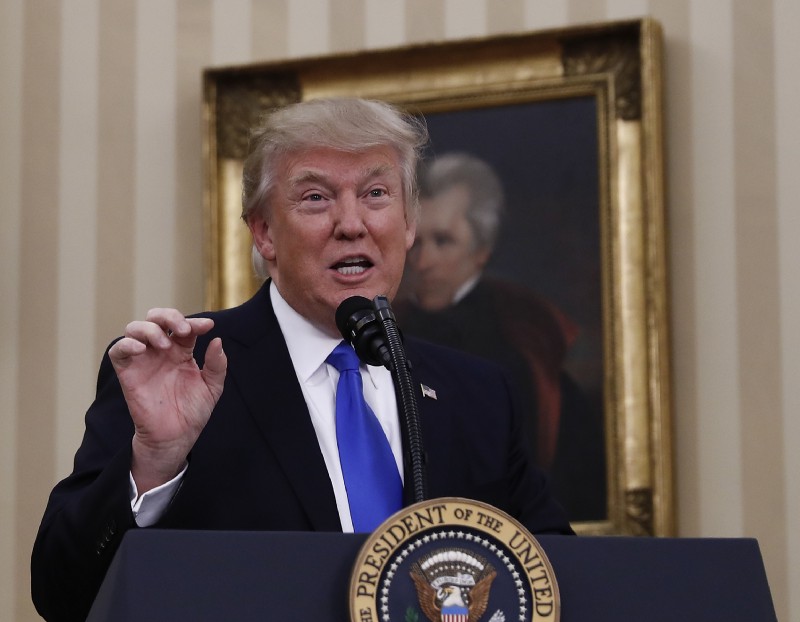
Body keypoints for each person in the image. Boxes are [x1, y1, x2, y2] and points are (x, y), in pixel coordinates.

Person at [31, 99, 573, 622]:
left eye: (376, 193)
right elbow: (63, 594)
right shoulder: (181, 369)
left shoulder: (477, 392)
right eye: (316, 198)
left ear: (409, 222)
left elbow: (560, 577)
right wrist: (154, 462)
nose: (351, 223)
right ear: (264, 232)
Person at [396, 152, 606, 521]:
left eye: (443, 241)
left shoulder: (523, 337)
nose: (423, 262)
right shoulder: (387, 326)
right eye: (416, 244)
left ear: (481, 249)